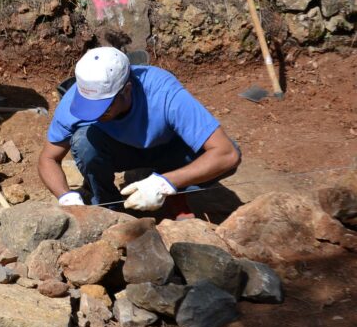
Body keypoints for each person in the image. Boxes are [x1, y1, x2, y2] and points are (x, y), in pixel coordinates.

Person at [37, 47, 241, 218]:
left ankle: (175, 194)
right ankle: (109, 206)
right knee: (83, 142)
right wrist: (65, 196)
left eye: (103, 107)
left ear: (126, 90)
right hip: (122, 151)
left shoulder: (163, 93)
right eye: (88, 106)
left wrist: (166, 184)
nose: (95, 114)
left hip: (169, 149)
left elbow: (227, 154)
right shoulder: (74, 101)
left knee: (227, 159)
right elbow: (48, 159)